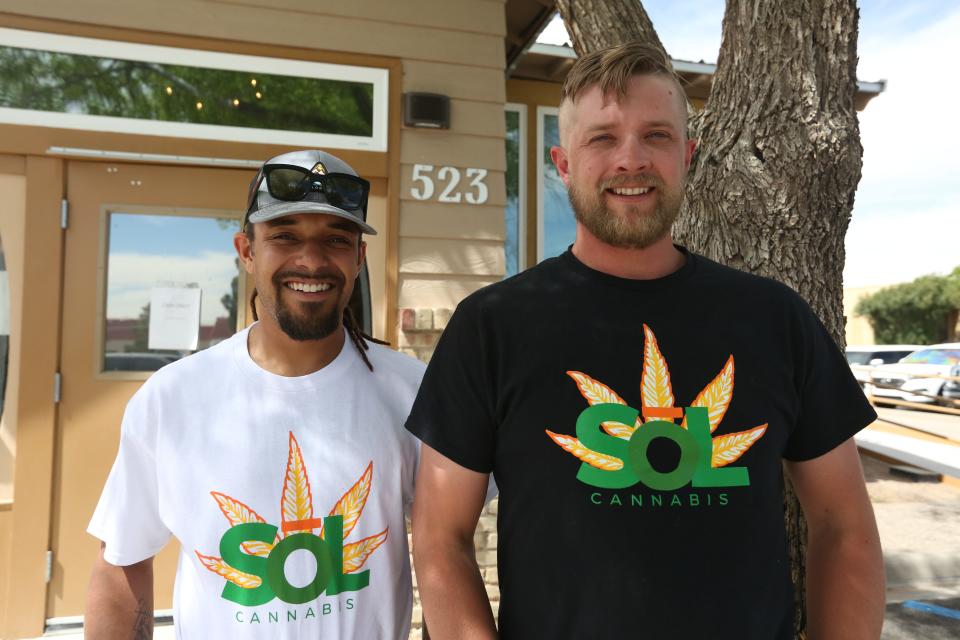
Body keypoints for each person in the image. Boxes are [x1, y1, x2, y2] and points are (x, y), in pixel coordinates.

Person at [406, 43, 885, 640]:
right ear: (562, 162)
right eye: (602, 138)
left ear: (688, 154)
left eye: (656, 135)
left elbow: (844, 526)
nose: (630, 159)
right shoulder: (491, 326)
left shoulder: (774, 319)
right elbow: (439, 537)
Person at [86, 150, 425, 639]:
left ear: (359, 258)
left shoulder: (412, 392)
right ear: (246, 251)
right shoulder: (173, 397)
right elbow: (122, 559)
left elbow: (446, 551)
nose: (311, 259)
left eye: (335, 239)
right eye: (284, 236)